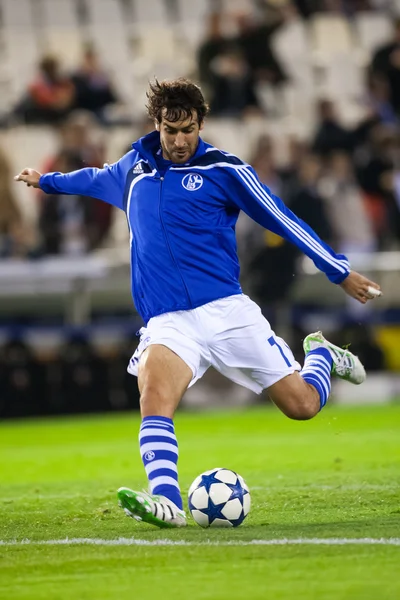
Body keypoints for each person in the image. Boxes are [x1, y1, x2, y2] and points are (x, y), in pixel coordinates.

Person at [15, 78, 381, 529]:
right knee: (154, 397)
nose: (180, 140)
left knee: (301, 405)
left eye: (188, 129)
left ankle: (322, 356)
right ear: (157, 125)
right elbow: (89, 178)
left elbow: (283, 219)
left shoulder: (225, 170)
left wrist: (339, 271)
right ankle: (166, 500)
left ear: (201, 124)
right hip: (169, 321)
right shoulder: (132, 170)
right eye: (171, 130)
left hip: (227, 311)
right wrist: (45, 181)